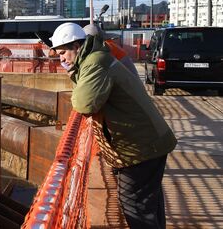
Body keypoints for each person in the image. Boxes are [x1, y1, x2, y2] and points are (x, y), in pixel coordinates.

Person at [50, 22, 176, 229]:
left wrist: (74, 76)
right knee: (147, 203)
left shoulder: (95, 62)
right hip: (146, 142)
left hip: (140, 147)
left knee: (135, 206)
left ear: (77, 46)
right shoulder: (98, 56)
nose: (61, 59)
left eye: (63, 53)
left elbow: (84, 104)